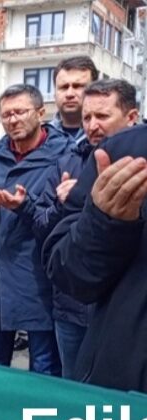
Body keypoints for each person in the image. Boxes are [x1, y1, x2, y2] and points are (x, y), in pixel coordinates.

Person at [40, 79, 140, 379]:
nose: (93, 125)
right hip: (85, 316)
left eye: (102, 116)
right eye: (87, 117)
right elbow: (58, 253)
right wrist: (101, 218)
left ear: (132, 117)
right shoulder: (71, 161)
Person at [0, 84, 70, 374]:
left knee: (43, 368)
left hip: (38, 277)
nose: (13, 120)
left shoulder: (64, 155)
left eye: (20, 112)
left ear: (40, 113)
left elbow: (60, 222)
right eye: (6, 115)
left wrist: (24, 206)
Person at [51, 56, 98, 143]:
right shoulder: (40, 139)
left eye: (77, 86)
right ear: (54, 94)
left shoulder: (109, 135)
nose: (69, 94)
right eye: (64, 87)